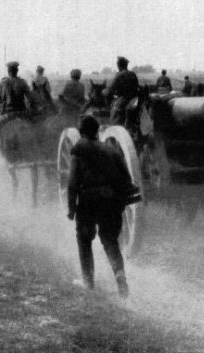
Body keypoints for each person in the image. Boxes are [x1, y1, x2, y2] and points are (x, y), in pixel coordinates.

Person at [67, 115, 138, 298]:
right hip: (111, 201)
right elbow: (126, 179)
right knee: (110, 241)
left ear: (82, 132)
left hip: (89, 201)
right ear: (98, 131)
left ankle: (88, 281)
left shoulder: (79, 149)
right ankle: (120, 277)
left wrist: (71, 208)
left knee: (84, 239)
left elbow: (73, 182)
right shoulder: (111, 150)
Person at [108, 56, 139, 128]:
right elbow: (137, 86)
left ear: (119, 65)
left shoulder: (119, 74)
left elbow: (112, 88)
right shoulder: (132, 74)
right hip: (135, 98)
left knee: (114, 114)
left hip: (123, 99)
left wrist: (108, 92)